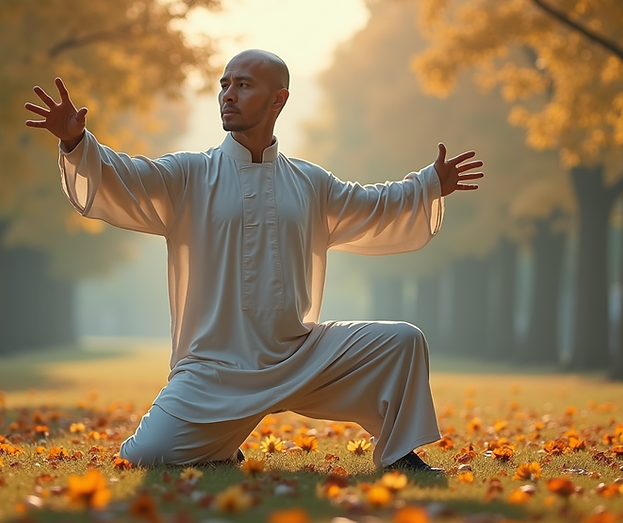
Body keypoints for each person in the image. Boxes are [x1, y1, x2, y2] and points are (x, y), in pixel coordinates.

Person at [24, 49, 483, 472]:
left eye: (243, 85)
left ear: (279, 99)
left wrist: (427, 184)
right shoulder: (189, 174)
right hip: (213, 369)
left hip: (300, 354)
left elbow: (373, 205)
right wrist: (76, 142)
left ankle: (399, 453)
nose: (228, 95)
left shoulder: (310, 182)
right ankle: (222, 441)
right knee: (149, 456)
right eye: (224, 85)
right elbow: (123, 176)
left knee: (402, 341)